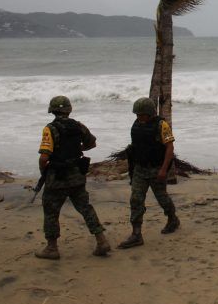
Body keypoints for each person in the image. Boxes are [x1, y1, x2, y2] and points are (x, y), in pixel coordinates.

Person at [35, 95, 110, 260]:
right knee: (85, 208)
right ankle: (101, 240)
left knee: (51, 212)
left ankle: (51, 248)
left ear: (52, 110)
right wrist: (77, 149)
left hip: (57, 178)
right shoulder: (78, 126)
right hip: (77, 175)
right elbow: (92, 143)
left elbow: (44, 157)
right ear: (68, 110)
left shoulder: (50, 129)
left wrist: (43, 173)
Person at [118, 97, 180, 249]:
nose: (139, 117)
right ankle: (136, 234)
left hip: (156, 169)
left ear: (150, 113)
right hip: (140, 169)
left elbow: (170, 148)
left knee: (162, 198)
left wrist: (164, 169)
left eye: (141, 115)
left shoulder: (161, 125)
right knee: (136, 200)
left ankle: (172, 218)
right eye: (137, 115)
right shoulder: (137, 124)